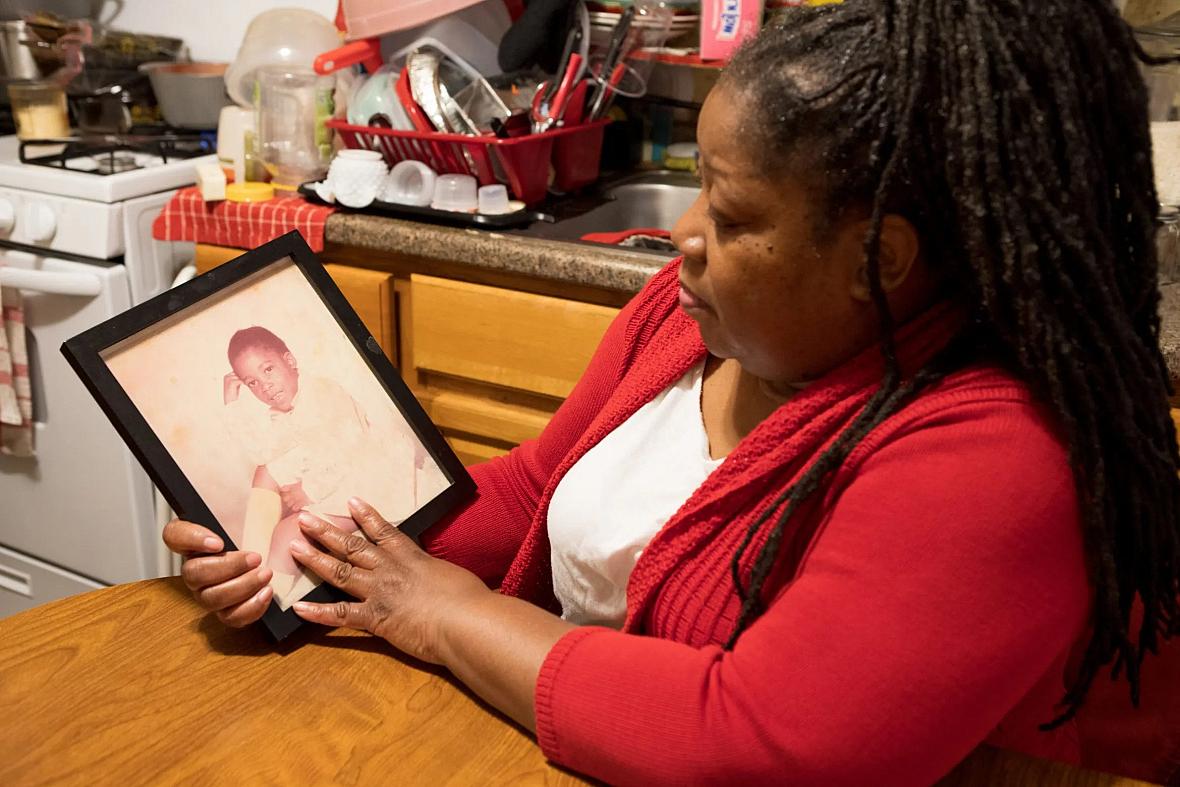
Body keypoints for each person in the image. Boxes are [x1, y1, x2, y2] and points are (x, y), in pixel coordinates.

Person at [164, 2, 1180, 784]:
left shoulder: (999, 452)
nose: (684, 234)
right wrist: (320, 544)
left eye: (733, 214)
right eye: (701, 185)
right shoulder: (690, 315)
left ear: (881, 260)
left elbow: (760, 742)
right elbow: (533, 488)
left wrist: (440, 611)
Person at [221, 326, 426, 607]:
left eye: (268, 370)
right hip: (335, 477)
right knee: (265, 472)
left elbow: (348, 449)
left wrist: (309, 492)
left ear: (290, 361)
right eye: (251, 382)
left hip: (369, 477)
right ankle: (250, 565)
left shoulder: (322, 393)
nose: (264, 386)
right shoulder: (284, 413)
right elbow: (262, 453)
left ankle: (264, 603)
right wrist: (232, 404)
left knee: (288, 537)